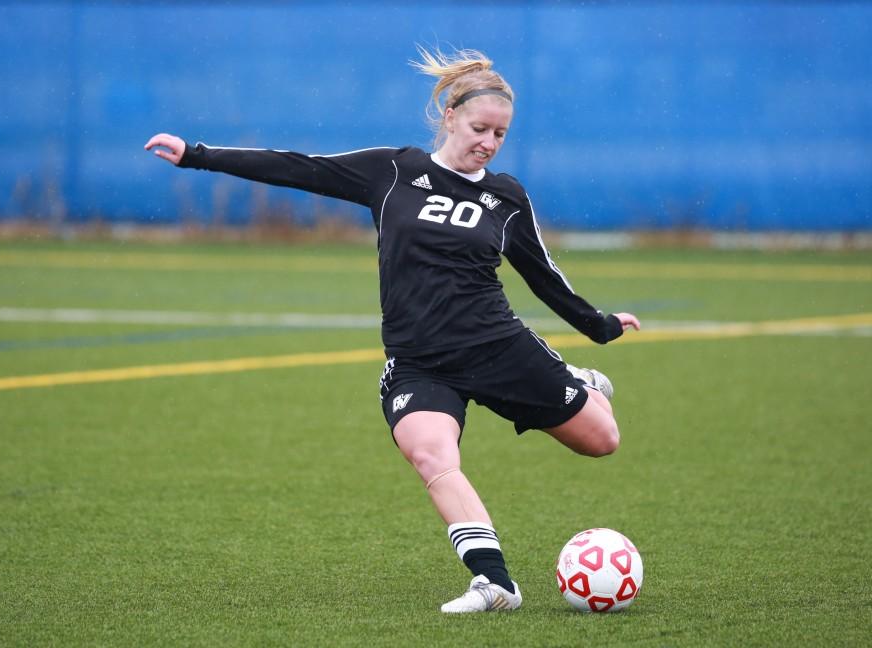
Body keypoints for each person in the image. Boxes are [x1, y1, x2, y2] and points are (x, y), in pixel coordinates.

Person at [145, 46, 640, 613]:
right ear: (450, 116)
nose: (489, 142)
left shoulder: (505, 197)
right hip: (418, 361)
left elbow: (543, 276)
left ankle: (577, 378)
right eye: (480, 127)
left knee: (603, 441)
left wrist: (599, 326)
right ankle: (495, 583)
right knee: (430, 453)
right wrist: (198, 156)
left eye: (500, 134)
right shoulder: (395, 171)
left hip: (499, 347)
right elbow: (300, 167)